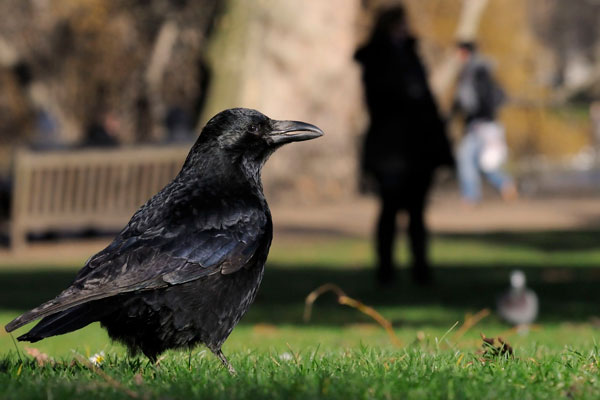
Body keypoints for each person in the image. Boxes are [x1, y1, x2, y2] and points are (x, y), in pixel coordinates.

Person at [355, 6, 454, 285]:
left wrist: (440, 147)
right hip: (389, 149)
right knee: (389, 210)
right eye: (399, 26)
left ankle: (420, 270)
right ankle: (385, 271)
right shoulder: (376, 59)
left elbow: (428, 104)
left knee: (417, 212)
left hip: (418, 147)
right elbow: (379, 100)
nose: (404, 31)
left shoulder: (412, 56)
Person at [452, 41, 517, 204]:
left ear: (464, 52)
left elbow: (470, 101)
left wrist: (476, 116)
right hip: (484, 122)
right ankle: (505, 184)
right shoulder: (481, 71)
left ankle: (471, 196)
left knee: (466, 159)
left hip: (478, 123)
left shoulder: (473, 72)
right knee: (481, 162)